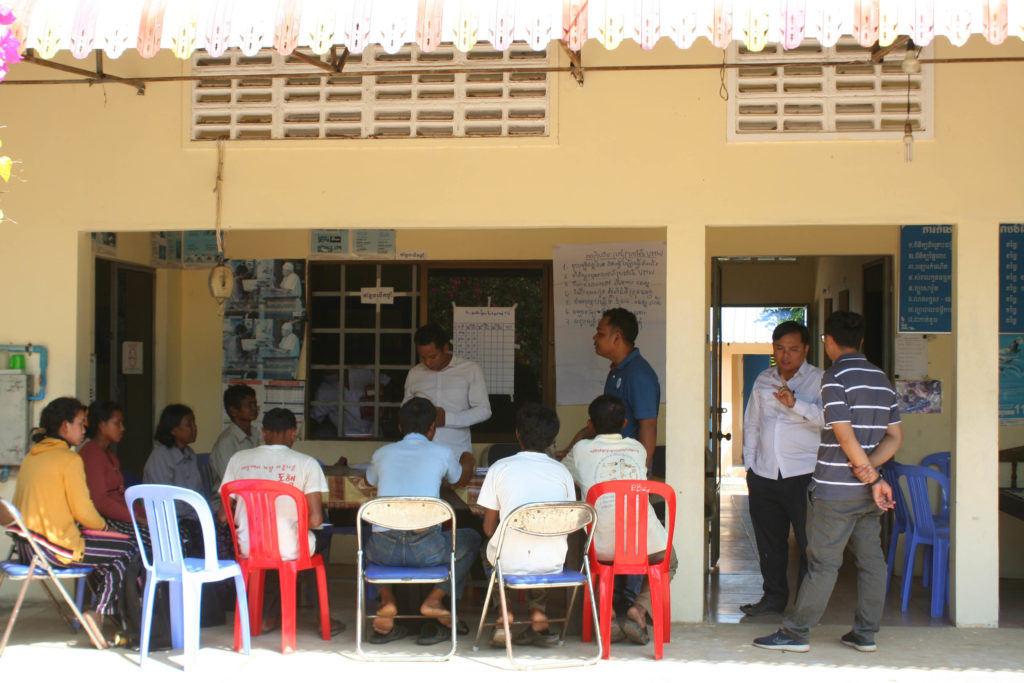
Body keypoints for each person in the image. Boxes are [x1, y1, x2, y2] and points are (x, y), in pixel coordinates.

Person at [754, 311, 902, 654]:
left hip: (835, 489)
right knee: (872, 562)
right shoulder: (882, 379)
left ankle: (796, 633)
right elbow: (895, 437)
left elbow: (843, 433)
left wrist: (865, 470)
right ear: (862, 341)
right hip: (868, 493)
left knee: (822, 563)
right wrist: (872, 472)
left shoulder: (834, 378)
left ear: (828, 342)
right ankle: (865, 633)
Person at [12, 397, 138, 646]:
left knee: (104, 554)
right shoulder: (69, 460)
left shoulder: (32, 457)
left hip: (28, 547)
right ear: (64, 426)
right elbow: (84, 511)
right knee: (127, 549)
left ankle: (100, 614)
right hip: (53, 548)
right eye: (80, 424)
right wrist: (106, 528)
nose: (84, 430)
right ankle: (98, 614)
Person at [363, 397, 480, 646]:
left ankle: (387, 600)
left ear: (399, 427)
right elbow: (458, 477)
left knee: (369, 539)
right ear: (432, 428)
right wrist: (468, 458)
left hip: (383, 552)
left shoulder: (382, 453)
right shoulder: (442, 452)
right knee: (471, 538)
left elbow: (371, 480)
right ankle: (436, 598)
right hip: (427, 551)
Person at [217, 407, 342, 635]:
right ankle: (321, 619)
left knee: (274, 554)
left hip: (248, 547)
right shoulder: (306, 463)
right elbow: (315, 519)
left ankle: (268, 615)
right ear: (294, 433)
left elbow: (223, 516)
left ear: (264, 433)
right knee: (315, 544)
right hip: (289, 548)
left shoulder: (239, 459)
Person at [563, 394, 675, 645]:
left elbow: (564, 476)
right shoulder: (637, 448)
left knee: (590, 557)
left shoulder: (581, 450)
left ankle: (607, 612)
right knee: (670, 560)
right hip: (645, 544)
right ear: (625, 423)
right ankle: (640, 608)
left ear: (590, 424)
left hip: (601, 548)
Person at [740, 321, 824, 617]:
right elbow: (752, 422)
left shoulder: (819, 380)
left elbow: (828, 421)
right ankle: (773, 599)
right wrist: (749, 464)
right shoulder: (763, 379)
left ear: (806, 350)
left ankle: (805, 606)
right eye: (779, 349)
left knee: (807, 543)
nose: (785, 355)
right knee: (769, 542)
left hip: (804, 475)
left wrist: (797, 404)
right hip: (764, 474)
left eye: (793, 349)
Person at [477, 403, 575, 648]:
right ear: (553, 438)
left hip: (509, 562)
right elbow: (570, 525)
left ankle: (504, 614)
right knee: (538, 548)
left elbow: (489, 529)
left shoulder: (499, 468)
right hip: (552, 563)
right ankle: (539, 616)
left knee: (489, 550)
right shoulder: (562, 472)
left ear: (518, 434)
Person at [559, 308, 660, 468]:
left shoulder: (639, 375)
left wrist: (639, 476)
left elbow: (648, 427)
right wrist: (569, 450)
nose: (594, 338)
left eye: (600, 334)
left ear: (616, 338)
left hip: (626, 472)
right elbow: (602, 423)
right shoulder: (617, 370)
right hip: (607, 466)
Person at [403, 323, 491, 460]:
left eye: (432, 357)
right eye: (422, 357)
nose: (427, 363)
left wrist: (447, 419)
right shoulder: (414, 374)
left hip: (456, 455)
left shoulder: (470, 370)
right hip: (420, 457)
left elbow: (484, 411)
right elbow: (405, 411)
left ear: (445, 348)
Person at [79, 400, 136, 534]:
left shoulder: (109, 454)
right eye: (117, 423)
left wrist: (147, 515)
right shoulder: (92, 454)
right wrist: (135, 517)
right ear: (101, 424)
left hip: (119, 515)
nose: (122, 428)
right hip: (103, 520)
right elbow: (101, 502)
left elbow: (121, 496)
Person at [143, 404, 213, 512]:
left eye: (194, 423)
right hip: (170, 519)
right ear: (173, 430)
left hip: (192, 517)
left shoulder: (190, 453)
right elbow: (164, 501)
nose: (194, 428)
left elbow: (198, 491)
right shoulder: (160, 456)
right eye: (189, 425)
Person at [210, 383, 260, 492]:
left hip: (251, 495)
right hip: (227, 502)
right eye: (248, 405)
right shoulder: (226, 443)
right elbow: (230, 484)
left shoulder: (255, 434)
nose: (254, 408)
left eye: (255, 403)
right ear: (233, 411)